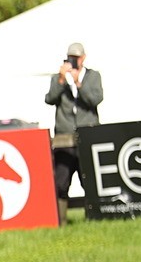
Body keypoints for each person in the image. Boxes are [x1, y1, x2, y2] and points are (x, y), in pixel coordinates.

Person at [44, 42, 103, 209]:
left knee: (90, 181)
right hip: (65, 137)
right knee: (61, 181)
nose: (73, 60)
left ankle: (96, 215)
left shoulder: (93, 76)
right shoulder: (58, 78)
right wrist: (62, 80)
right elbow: (50, 99)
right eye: (70, 57)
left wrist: (78, 84)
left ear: (83, 58)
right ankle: (59, 220)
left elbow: (95, 99)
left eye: (76, 57)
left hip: (87, 135)